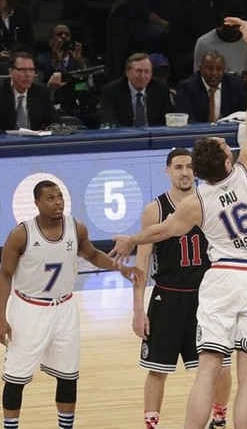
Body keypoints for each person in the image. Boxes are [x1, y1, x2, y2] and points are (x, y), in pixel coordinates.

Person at [110, 17, 247, 429]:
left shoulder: (196, 201)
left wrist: (132, 238)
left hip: (219, 279)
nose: (229, 143)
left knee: (206, 371)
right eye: (225, 144)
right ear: (227, 160)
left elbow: (162, 231)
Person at [0, 180, 142, 429]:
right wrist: (1, 316)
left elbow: (92, 254)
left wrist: (120, 267)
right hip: (28, 310)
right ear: (36, 203)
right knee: (16, 377)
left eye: (60, 197)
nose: (58, 203)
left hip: (65, 309)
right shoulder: (21, 234)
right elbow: (5, 275)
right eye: (50, 198)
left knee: (68, 375)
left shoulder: (76, 228)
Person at [132, 148, 231, 429]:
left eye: (189, 167)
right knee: (156, 370)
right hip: (167, 297)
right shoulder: (155, 209)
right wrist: (138, 310)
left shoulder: (211, 202)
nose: (185, 172)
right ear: (168, 171)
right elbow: (142, 261)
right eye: (178, 167)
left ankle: (219, 419)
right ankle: (151, 424)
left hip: (207, 297)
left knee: (220, 365)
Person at [100, 52, 172, 127]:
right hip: (124, 136)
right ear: (127, 73)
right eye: (139, 71)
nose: (143, 76)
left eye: (147, 72)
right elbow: (109, 121)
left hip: (153, 135)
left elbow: (168, 121)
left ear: (151, 74)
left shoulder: (161, 90)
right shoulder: (111, 91)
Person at [175, 51, 247, 123]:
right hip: (198, 132)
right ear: (201, 69)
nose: (214, 73)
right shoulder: (186, 88)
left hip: (227, 131)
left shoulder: (236, 85)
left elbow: (243, 114)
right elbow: (187, 119)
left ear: (224, 70)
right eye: (209, 69)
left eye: (219, 69)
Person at [0, 51, 54, 131]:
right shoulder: (2, 93)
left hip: (33, 142)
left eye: (31, 70)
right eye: (22, 70)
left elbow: (54, 122)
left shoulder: (41, 93)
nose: (28, 74)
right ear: (11, 72)